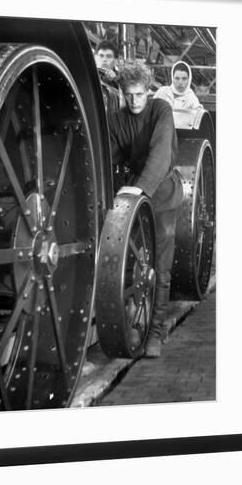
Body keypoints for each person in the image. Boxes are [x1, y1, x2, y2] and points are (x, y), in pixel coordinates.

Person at [108, 60, 183, 358]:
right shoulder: (116, 119)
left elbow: (161, 153)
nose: (135, 101)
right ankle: (135, 322)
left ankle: (155, 332)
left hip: (161, 192)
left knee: (161, 268)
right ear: (122, 93)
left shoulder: (160, 110)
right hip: (134, 196)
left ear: (149, 91)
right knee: (134, 263)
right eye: (129, 95)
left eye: (140, 94)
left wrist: (140, 188)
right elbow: (108, 155)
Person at [94, 40, 123, 114]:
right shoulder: (88, 76)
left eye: (109, 56)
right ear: (95, 58)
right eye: (101, 56)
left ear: (115, 61)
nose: (104, 60)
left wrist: (115, 81)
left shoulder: (121, 79)